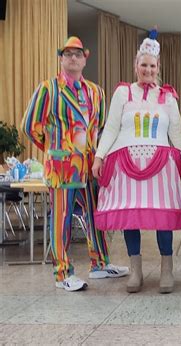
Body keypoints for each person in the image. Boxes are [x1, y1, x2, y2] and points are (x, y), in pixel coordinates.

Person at [22, 36, 129, 292]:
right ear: (61, 58)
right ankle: (62, 273)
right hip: (62, 168)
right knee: (62, 219)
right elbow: (31, 127)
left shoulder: (96, 91)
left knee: (96, 216)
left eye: (77, 54)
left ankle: (100, 263)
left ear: (85, 58)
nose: (73, 58)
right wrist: (55, 150)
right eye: (68, 54)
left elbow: (101, 127)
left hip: (90, 166)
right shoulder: (48, 88)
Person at [91, 31, 181, 294]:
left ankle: (166, 268)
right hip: (125, 163)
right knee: (130, 215)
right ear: (136, 66)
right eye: (143, 65)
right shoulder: (123, 93)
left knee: (162, 217)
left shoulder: (167, 96)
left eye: (152, 65)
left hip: (161, 164)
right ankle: (135, 269)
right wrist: (99, 156)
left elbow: (177, 132)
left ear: (158, 68)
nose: (148, 69)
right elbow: (111, 128)